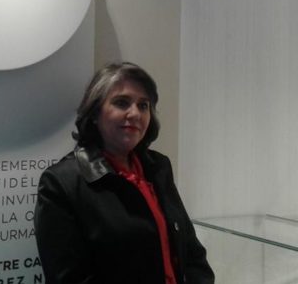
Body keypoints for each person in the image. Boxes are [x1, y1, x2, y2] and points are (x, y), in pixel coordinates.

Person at [34, 62, 214, 284]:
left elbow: (191, 251)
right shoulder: (61, 183)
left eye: (143, 105)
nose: (135, 113)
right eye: (121, 103)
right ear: (94, 113)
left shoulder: (159, 167)